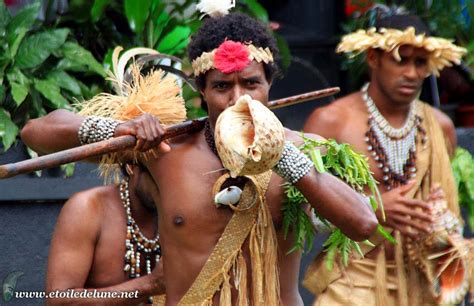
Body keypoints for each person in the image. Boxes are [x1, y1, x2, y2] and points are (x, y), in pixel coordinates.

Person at [21, 12, 378, 305]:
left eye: (251, 83)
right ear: (202, 91)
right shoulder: (163, 151)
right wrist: (117, 129)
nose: (237, 99)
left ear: (270, 83)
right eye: (222, 87)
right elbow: (36, 132)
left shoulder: (305, 149)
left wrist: (283, 157)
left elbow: (363, 224)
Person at [303, 12, 468, 306]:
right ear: (373, 58)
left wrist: (445, 229)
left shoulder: (440, 126)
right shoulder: (331, 122)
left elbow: (445, 209)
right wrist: (370, 208)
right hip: (351, 285)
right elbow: (304, 215)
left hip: (421, 285)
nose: (413, 73)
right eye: (401, 59)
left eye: (420, 63)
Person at [42, 164, 164, 305]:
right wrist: (149, 285)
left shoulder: (182, 211)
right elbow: (59, 301)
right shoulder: (88, 208)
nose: (170, 188)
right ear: (132, 167)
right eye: (160, 178)